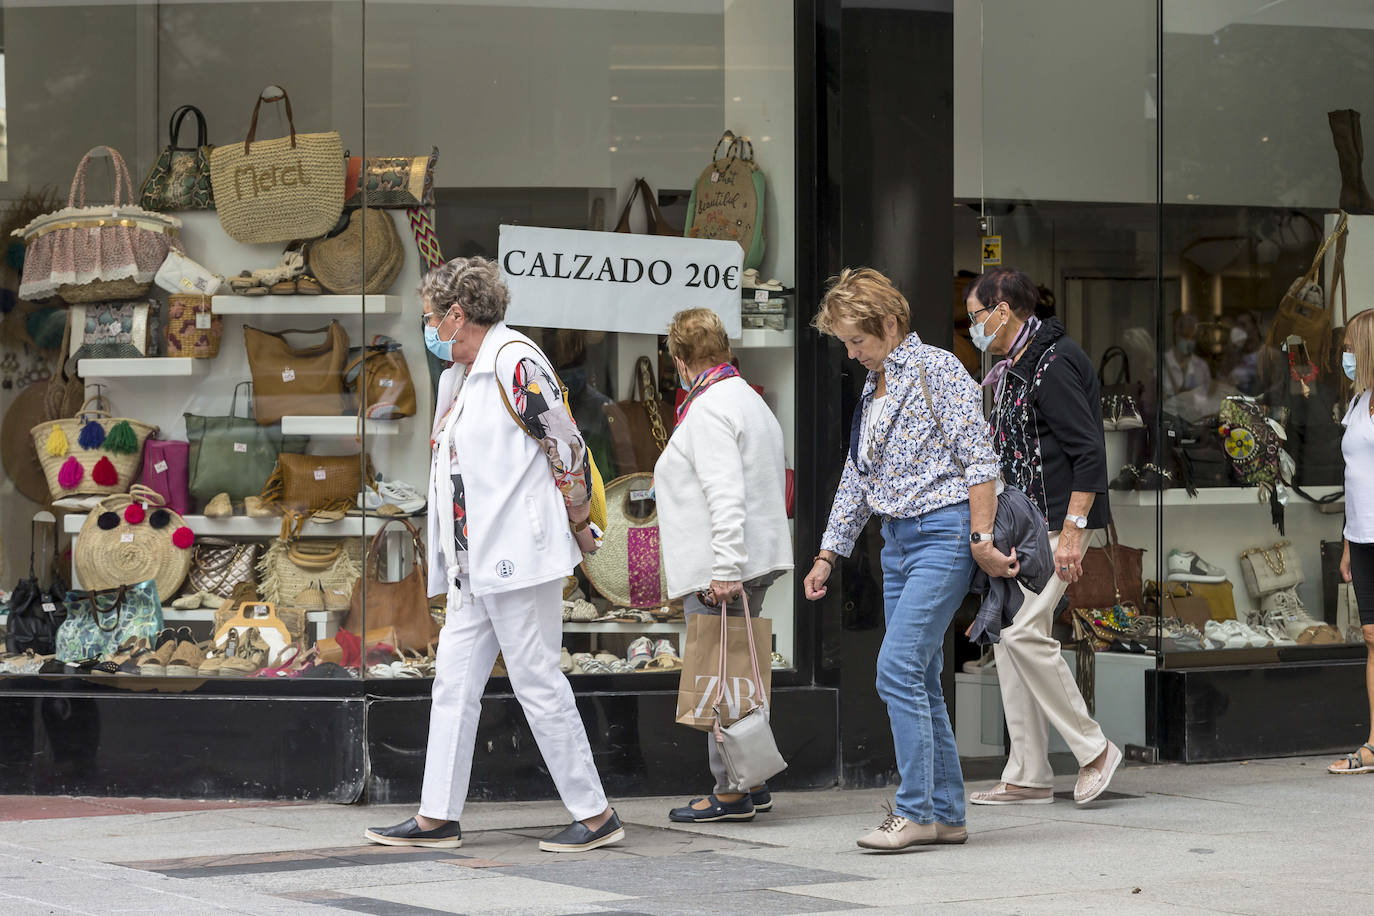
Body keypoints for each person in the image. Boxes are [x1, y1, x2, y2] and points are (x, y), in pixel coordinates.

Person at [365, 257, 623, 853]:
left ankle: (595, 814)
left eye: (431, 318)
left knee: (537, 679)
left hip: (517, 553)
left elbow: (566, 443)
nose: (428, 329)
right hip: (472, 563)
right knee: (453, 683)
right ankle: (438, 816)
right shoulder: (463, 372)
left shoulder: (514, 361)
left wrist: (581, 521)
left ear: (458, 315)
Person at [804, 268, 1009, 850]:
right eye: (845, 342)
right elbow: (857, 479)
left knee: (896, 671)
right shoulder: (875, 389)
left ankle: (914, 809)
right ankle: (947, 814)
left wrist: (979, 540)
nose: (852, 353)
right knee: (916, 675)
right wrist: (827, 553)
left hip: (943, 535)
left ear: (890, 325)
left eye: (858, 340)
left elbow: (980, 461)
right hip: (896, 542)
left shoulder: (937, 369)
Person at [961, 266, 1123, 808]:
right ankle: (1027, 773)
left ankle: (1094, 749)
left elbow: (1088, 454)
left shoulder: (1051, 364)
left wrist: (1074, 534)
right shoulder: (1019, 364)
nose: (973, 327)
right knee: (1010, 638)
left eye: (976, 316)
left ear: (1003, 310)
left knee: (1026, 632)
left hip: (1056, 525)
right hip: (1028, 524)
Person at [654, 308, 793, 823]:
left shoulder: (710, 407)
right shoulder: (747, 399)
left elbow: (725, 493)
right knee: (740, 672)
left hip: (725, 567)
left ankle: (731, 791)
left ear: (681, 358)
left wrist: (725, 569)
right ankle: (749, 779)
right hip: (751, 557)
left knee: (720, 675)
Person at [1329, 310, 1374, 774]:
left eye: (1348, 344)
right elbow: (1355, 477)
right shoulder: (1360, 401)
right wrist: (1346, 542)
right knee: (1371, 637)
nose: (1344, 354)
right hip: (1362, 536)